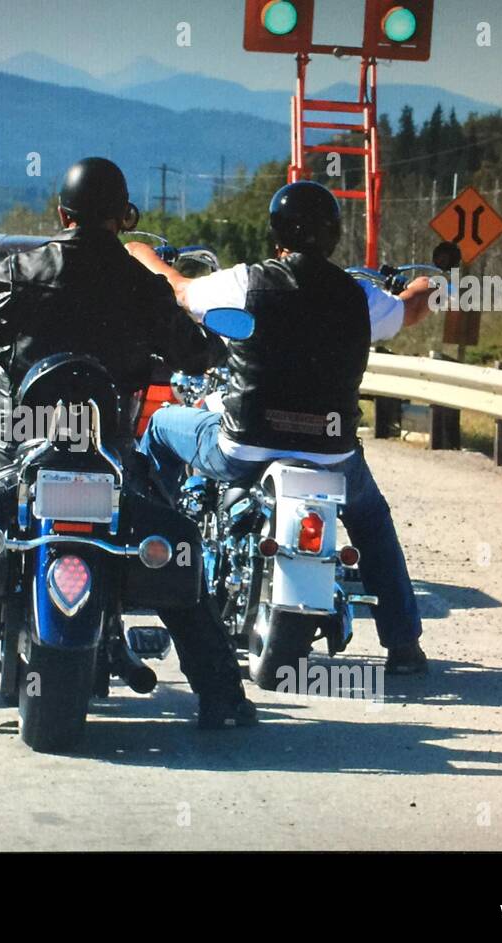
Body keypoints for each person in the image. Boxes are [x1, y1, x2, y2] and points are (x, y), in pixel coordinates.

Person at [0, 156, 257, 729]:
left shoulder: (20, 270)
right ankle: (224, 701)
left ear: (62, 213)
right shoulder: (143, 284)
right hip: (108, 450)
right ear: (122, 216)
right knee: (177, 544)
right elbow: (195, 353)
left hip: (14, 444)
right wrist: (208, 340)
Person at [127, 180, 428, 675]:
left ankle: (149, 557)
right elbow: (411, 310)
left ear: (276, 235)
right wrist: (423, 287)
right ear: (333, 236)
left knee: (160, 425)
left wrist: (144, 255)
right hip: (331, 452)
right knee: (371, 521)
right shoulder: (359, 297)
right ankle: (404, 646)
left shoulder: (246, 283)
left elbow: (179, 291)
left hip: (245, 446)